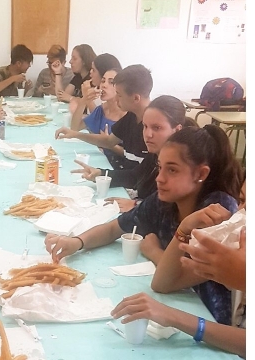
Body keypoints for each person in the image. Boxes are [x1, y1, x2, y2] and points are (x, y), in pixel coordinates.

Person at [46, 124, 242, 324]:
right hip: (172, 307)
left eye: (172, 170)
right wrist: (78, 241)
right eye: (159, 167)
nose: (159, 178)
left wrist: (155, 250)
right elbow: (115, 228)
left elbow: (164, 283)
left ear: (201, 174)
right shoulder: (165, 199)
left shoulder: (218, 213)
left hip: (205, 319)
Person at [111, 180, 246, 357]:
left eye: (173, 170)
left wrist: (174, 317)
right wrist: (184, 229)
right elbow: (163, 283)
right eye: (242, 201)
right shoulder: (238, 243)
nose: (240, 214)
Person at [72, 95, 198, 212]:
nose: (148, 134)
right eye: (145, 126)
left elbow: (172, 208)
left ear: (177, 129)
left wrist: (137, 205)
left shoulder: (183, 163)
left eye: (157, 128)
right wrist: (101, 174)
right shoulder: (156, 153)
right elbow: (134, 176)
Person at [56, 64, 152, 171]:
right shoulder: (131, 116)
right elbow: (109, 141)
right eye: (103, 81)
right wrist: (75, 134)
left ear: (135, 98)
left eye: (119, 95)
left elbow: (140, 174)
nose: (116, 99)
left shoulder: (152, 124)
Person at [59, 67, 126, 171]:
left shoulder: (126, 115)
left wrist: (109, 143)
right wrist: (83, 101)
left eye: (111, 82)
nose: (104, 85)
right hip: (98, 161)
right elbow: (75, 127)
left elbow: (129, 154)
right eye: (103, 81)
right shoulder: (102, 109)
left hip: (117, 168)